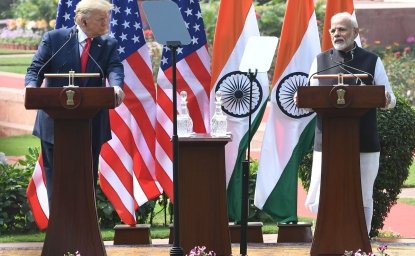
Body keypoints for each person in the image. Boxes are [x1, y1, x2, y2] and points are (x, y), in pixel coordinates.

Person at [304, 12, 396, 234]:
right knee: (325, 193)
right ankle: (325, 239)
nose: (337, 33)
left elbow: (390, 100)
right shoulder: (320, 61)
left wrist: (383, 98)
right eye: (333, 30)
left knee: (363, 194)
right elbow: (308, 98)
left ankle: (360, 241)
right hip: (327, 141)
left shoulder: (372, 61)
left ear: (355, 32)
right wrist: (303, 100)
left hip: (363, 141)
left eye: (342, 29)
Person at [25, 0, 125, 204]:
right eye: (101, 19)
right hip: (55, 125)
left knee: (86, 178)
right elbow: (35, 69)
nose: (107, 22)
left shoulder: (108, 44)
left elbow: (115, 68)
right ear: (83, 21)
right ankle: (58, 231)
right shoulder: (55, 39)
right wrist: (31, 87)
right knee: (57, 178)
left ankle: (85, 230)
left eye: (107, 18)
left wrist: (116, 86)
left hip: (91, 124)